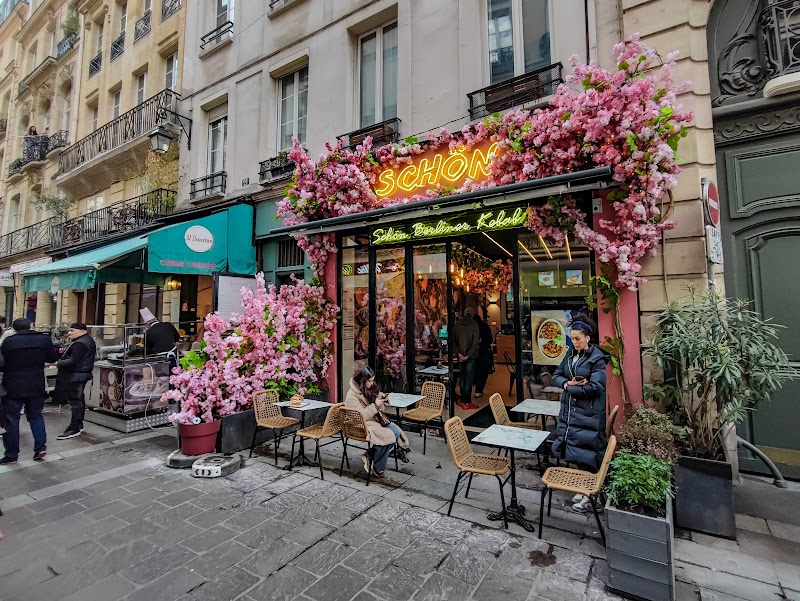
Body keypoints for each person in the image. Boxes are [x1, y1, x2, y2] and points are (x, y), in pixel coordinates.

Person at [550, 317, 609, 513]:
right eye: (572, 339)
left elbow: (596, 386)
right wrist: (567, 384)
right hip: (572, 412)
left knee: (589, 452)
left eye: (577, 338)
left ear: (588, 338)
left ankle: (593, 495)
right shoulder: (570, 355)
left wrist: (569, 389)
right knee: (577, 450)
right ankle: (584, 488)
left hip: (589, 414)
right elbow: (556, 375)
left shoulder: (597, 359)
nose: (574, 342)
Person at [0, 319, 59, 463]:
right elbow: (52, 358)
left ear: (14, 329)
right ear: (30, 326)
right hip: (36, 384)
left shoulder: (9, 342)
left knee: (11, 420)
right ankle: (40, 447)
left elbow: (2, 364)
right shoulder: (44, 340)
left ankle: (11, 454)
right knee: (36, 416)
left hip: (13, 385)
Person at [344, 366, 410, 478]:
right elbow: (360, 416)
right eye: (369, 381)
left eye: (372, 380)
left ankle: (370, 454)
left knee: (396, 433)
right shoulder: (352, 396)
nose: (371, 383)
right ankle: (378, 469)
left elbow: (377, 394)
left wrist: (383, 398)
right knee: (387, 436)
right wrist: (375, 406)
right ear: (362, 381)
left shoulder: (369, 386)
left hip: (375, 420)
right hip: (361, 424)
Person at [55, 323, 97, 440]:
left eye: (72, 330)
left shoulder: (80, 343)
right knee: (78, 400)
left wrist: (57, 363)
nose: (69, 333)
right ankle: (78, 424)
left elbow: (73, 361)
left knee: (75, 402)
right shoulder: (86, 340)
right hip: (80, 374)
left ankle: (74, 428)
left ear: (82, 331)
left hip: (76, 375)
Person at [452, 307, 480, 410]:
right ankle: (467, 402)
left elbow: (453, 341)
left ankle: (462, 400)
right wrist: (468, 355)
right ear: (472, 315)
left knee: (462, 378)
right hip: (470, 356)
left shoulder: (457, 324)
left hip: (460, 355)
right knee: (468, 379)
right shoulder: (474, 324)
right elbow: (475, 342)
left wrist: (459, 354)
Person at [472, 311, 494, 398]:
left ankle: (477, 388)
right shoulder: (485, 327)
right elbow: (490, 339)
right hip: (485, 352)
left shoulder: (473, 328)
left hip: (476, 352)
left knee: (477, 371)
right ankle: (479, 389)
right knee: (483, 372)